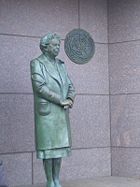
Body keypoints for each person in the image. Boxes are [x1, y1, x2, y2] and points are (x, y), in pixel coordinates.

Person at [30, 33, 76, 187]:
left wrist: (70, 98)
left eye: (58, 45)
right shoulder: (37, 63)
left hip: (62, 112)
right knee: (48, 149)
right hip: (47, 113)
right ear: (45, 46)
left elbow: (70, 85)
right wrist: (60, 100)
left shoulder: (61, 64)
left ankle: (57, 179)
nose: (57, 48)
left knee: (59, 148)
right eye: (54, 45)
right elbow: (39, 87)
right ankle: (50, 180)